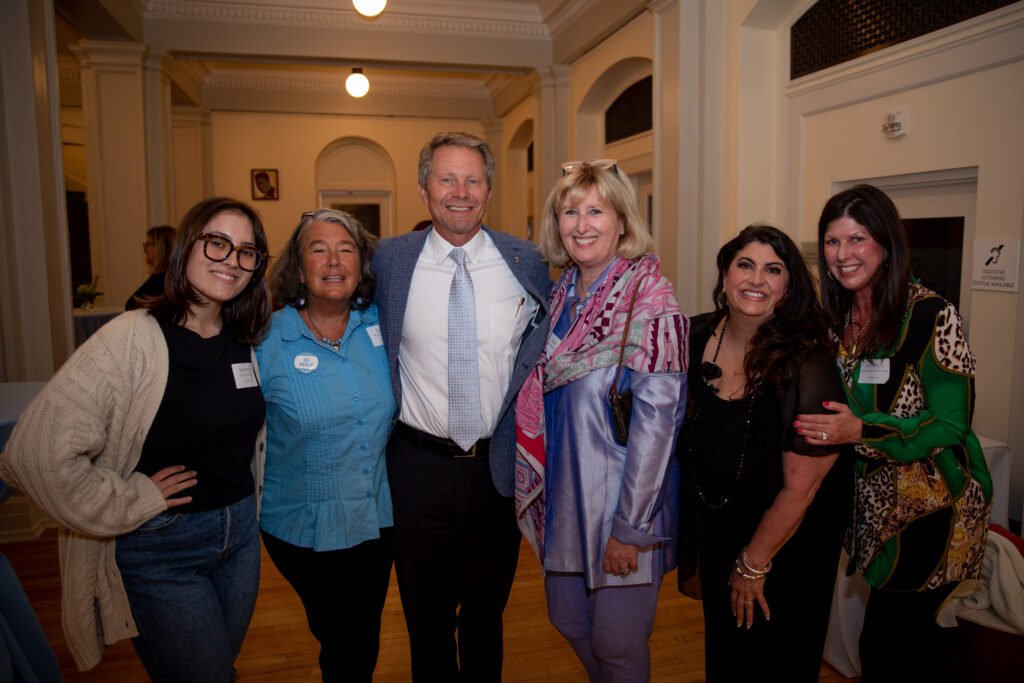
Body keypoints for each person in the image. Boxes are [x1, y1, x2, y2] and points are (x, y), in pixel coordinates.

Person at [0, 197, 271, 679]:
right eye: (217, 243)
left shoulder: (245, 337)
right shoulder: (132, 337)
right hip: (161, 548)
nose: (232, 259)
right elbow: (34, 454)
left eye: (246, 251)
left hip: (239, 541)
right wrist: (130, 499)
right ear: (187, 247)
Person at [370, 131, 552, 680]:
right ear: (424, 188)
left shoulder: (526, 261)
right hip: (414, 468)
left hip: (494, 470)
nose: (460, 191)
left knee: (485, 617)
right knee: (425, 621)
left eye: (473, 179)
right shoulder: (388, 261)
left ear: (489, 191)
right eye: (447, 178)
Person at [794, 185, 992, 682]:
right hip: (874, 505)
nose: (842, 255)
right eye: (833, 242)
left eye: (857, 239)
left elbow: (951, 423)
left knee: (892, 646)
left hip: (932, 505)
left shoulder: (930, 314)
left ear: (886, 244)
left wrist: (861, 428)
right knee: (895, 646)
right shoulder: (840, 316)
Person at [515, 160, 688, 681]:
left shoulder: (652, 302)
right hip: (563, 502)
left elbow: (661, 425)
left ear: (622, 222)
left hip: (623, 506)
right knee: (567, 618)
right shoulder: (559, 298)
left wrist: (630, 529)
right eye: (571, 211)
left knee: (617, 644)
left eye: (596, 210)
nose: (582, 224)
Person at [679, 224, 850, 682]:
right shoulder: (696, 336)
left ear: (788, 287)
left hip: (786, 544)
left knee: (772, 661)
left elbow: (803, 486)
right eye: (745, 265)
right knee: (727, 656)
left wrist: (753, 564)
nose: (756, 280)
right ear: (725, 273)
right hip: (720, 527)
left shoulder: (806, 364)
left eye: (773, 270)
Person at [256, 208, 395, 682]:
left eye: (346, 249)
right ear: (298, 267)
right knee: (346, 637)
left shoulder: (384, 327)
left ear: (361, 265)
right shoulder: (264, 339)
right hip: (302, 525)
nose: (334, 261)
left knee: (361, 639)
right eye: (319, 249)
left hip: (377, 519)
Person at [126, 224, 176, 309]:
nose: (144, 250)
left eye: (147, 245)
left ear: (160, 247)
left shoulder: (165, 281)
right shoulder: (173, 278)